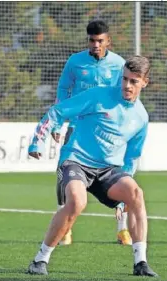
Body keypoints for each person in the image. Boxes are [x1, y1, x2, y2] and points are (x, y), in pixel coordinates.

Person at [27, 55, 158, 277]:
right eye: (124, 79)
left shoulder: (141, 117)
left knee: (136, 193)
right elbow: (58, 111)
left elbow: (132, 156)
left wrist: (122, 199)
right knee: (77, 202)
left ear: (145, 82)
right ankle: (40, 259)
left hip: (108, 170)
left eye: (133, 81)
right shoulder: (98, 95)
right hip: (76, 159)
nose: (126, 85)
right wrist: (37, 139)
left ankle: (140, 262)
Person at [53, 20, 130, 246]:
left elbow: (127, 94)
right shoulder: (75, 62)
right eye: (92, 40)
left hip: (108, 129)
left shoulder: (118, 64)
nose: (95, 44)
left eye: (100, 40)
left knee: (121, 172)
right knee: (64, 172)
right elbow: (63, 89)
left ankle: (122, 229)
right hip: (77, 126)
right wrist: (58, 123)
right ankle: (64, 227)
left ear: (108, 41)